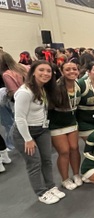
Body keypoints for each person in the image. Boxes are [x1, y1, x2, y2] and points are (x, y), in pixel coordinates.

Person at [13, 60, 66, 204]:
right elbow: (20, 118)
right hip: (25, 132)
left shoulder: (43, 88)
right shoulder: (25, 92)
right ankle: (41, 192)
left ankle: (50, 186)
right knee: (34, 163)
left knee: (47, 160)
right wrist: (27, 139)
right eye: (41, 70)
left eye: (48, 71)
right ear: (33, 72)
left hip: (42, 129)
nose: (45, 73)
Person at [49, 62, 83, 190]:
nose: (72, 71)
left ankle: (76, 174)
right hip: (57, 123)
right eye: (67, 69)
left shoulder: (78, 84)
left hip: (72, 121)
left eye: (74, 69)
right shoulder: (56, 87)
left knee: (74, 148)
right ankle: (65, 179)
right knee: (64, 151)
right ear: (62, 72)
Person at [0, 51, 28, 150]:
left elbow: (13, 92)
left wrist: (7, 93)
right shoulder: (23, 67)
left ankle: (11, 145)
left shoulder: (6, 74)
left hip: (16, 101)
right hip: (30, 98)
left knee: (11, 123)